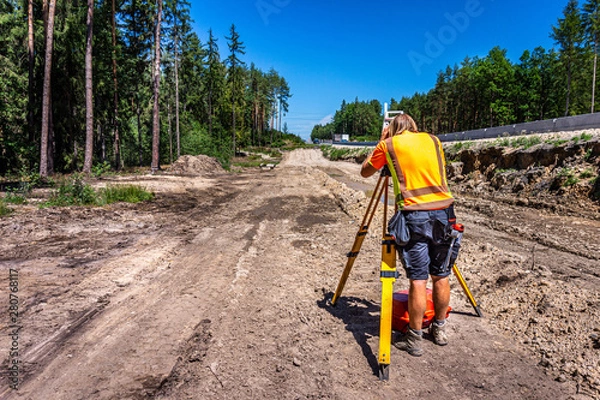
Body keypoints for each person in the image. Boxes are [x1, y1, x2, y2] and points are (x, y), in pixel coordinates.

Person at [360, 113, 457, 357]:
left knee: (418, 279)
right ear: (414, 127)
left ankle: (414, 339)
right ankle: (440, 329)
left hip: (414, 216)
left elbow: (365, 172)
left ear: (391, 129)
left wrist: (381, 141)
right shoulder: (433, 140)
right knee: (441, 274)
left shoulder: (389, 144)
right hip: (445, 213)